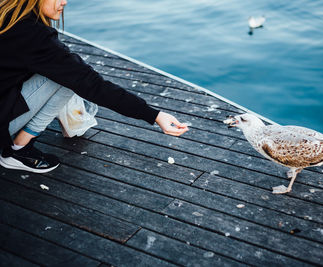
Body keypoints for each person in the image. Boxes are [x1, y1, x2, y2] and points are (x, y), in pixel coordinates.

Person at [0, 0, 189, 173]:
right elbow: (92, 84)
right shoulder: (33, 34)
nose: (65, 1)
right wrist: (154, 115)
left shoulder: (7, 17)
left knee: (64, 72)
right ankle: (18, 150)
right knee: (69, 79)